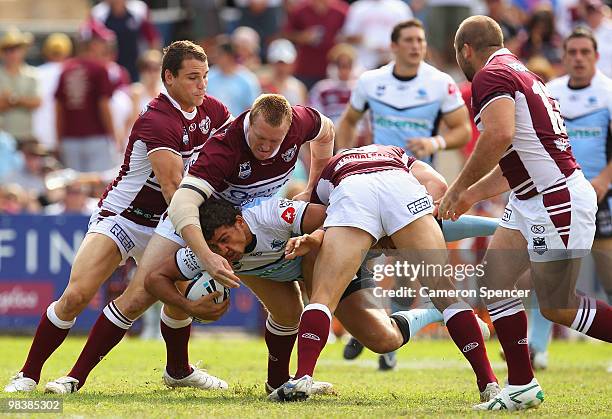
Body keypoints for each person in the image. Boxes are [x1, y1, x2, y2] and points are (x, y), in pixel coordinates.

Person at [20, 94, 334, 395]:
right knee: (139, 294)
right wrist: (206, 257)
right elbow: (182, 203)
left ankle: (273, 382)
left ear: (289, 129)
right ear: (249, 121)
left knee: (290, 311)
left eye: (274, 142)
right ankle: (73, 378)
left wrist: (312, 188)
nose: (265, 147)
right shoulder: (225, 147)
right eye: (259, 138)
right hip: (193, 220)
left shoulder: (300, 121)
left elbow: (327, 132)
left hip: (244, 228)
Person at [4, 40, 232, 394]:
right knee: (77, 295)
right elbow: (173, 188)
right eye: (192, 78)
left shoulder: (214, 112)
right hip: (124, 217)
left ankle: (178, 369)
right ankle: (28, 374)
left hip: (166, 222)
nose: (202, 85)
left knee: (184, 292)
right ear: (168, 78)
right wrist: (203, 250)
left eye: (204, 77)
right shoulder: (157, 119)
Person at [440, 15, 611, 411]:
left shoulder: (489, 75)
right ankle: (522, 385)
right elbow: (514, 161)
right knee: (495, 279)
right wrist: (467, 194)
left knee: (558, 304)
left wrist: (456, 187)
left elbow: (498, 137)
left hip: (555, 197)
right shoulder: (523, 73)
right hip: (531, 197)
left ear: (466, 50)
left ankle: (522, 382)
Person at [270, 144, 500, 403]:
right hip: (400, 188)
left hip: (352, 194)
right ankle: (489, 382)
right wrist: (423, 216)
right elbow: (437, 185)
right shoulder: (398, 155)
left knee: (323, 298)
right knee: (446, 294)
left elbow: (317, 219)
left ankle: (302, 377)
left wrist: (368, 236)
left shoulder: (329, 171)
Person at [526, 27, 612, 368]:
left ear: (596, 56)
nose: (578, 58)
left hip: (602, 196)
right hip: (558, 197)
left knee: (607, 274)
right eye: (572, 52)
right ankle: (538, 348)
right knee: (548, 274)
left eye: (584, 52)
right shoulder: (552, 92)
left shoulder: (608, 93)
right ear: (563, 57)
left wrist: (603, 181)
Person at [336, 19, 471, 162]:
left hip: (421, 177)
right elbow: (348, 121)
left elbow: (463, 130)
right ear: (394, 46)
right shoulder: (370, 80)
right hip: (380, 174)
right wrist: (343, 155)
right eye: (409, 40)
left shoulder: (441, 82)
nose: (415, 46)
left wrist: (434, 143)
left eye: (420, 40)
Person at [0, 27, 41, 146]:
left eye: (16, 49)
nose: (12, 53)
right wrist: (22, 101)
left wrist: (11, 98)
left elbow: (36, 103)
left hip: (26, 135)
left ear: (23, 51)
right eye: (8, 49)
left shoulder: (32, 74)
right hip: (2, 137)